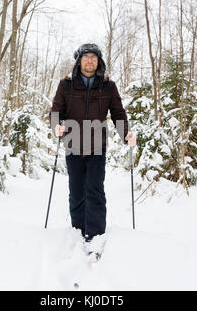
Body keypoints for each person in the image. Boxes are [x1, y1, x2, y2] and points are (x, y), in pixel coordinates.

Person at [49, 43, 136, 243]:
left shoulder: (108, 86)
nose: (90, 61)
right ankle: (78, 231)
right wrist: (57, 126)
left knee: (94, 189)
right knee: (77, 190)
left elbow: (118, 113)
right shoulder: (66, 86)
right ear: (79, 61)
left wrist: (126, 134)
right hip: (73, 143)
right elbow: (56, 112)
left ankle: (95, 237)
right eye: (86, 57)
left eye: (93, 58)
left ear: (99, 62)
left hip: (97, 145)